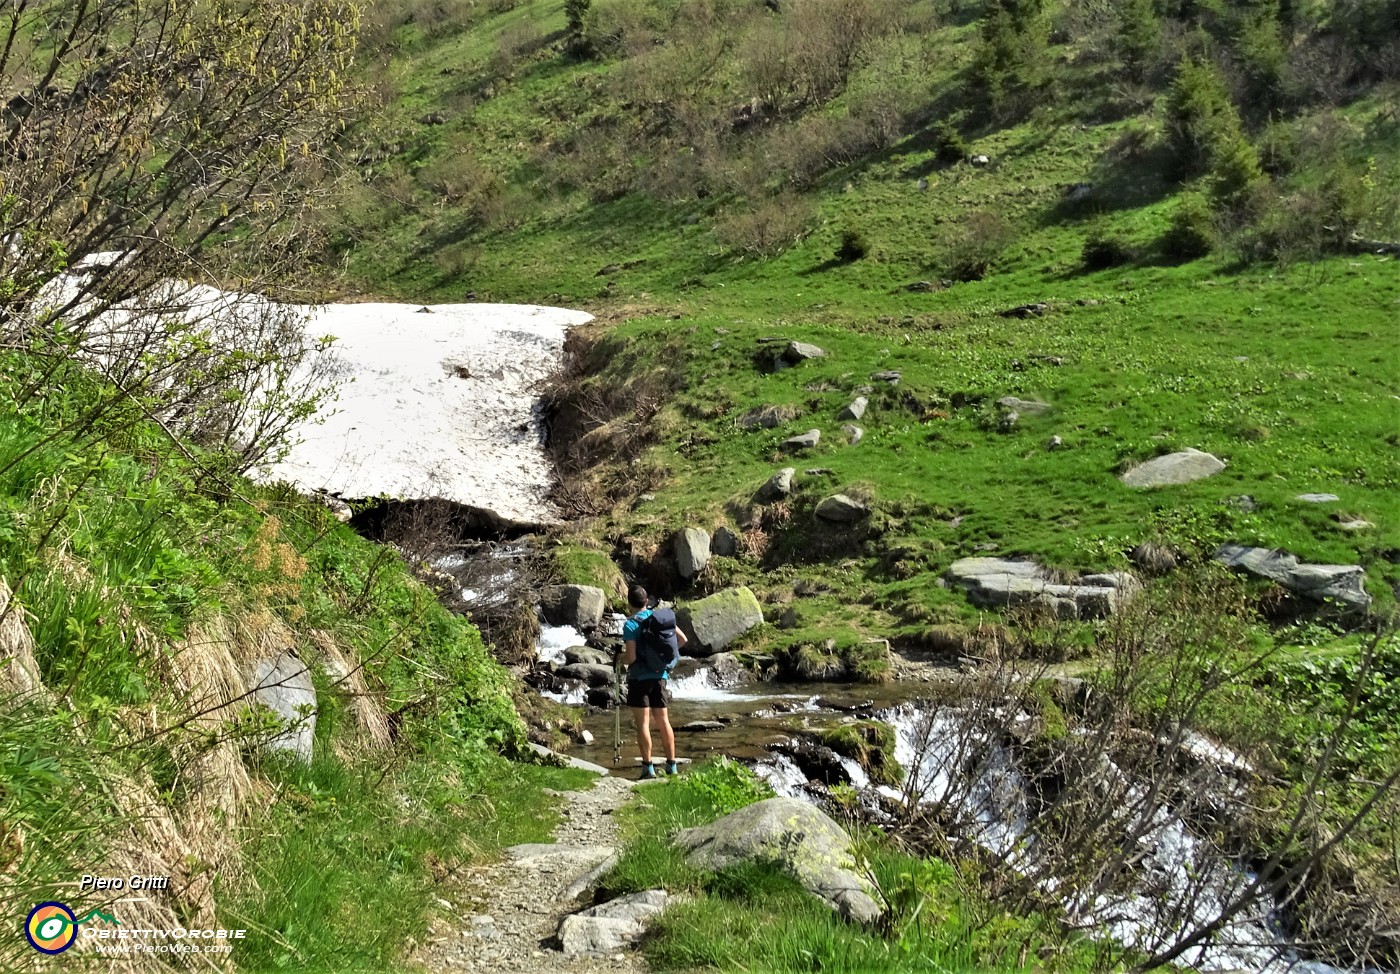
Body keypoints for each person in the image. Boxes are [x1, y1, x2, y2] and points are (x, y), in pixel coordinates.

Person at [621, 584, 686, 779]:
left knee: (643, 724)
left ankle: (648, 768)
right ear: (647, 600)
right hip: (660, 676)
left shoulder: (630, 625)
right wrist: (666, 660)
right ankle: (672, 765)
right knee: (663, 721)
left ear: (629, 603)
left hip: (639, 678)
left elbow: (631, 658)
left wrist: (619, 660)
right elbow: (682, 640)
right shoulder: (660, 619)